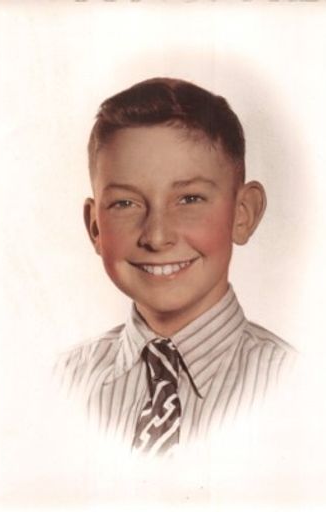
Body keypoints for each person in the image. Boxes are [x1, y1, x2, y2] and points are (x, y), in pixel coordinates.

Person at [56, 77, 296, 457]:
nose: (157, 236)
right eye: (125, 203)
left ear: (243, 214)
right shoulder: (61, 384)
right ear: (95, 227)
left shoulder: (296, 385)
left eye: (189, 199)